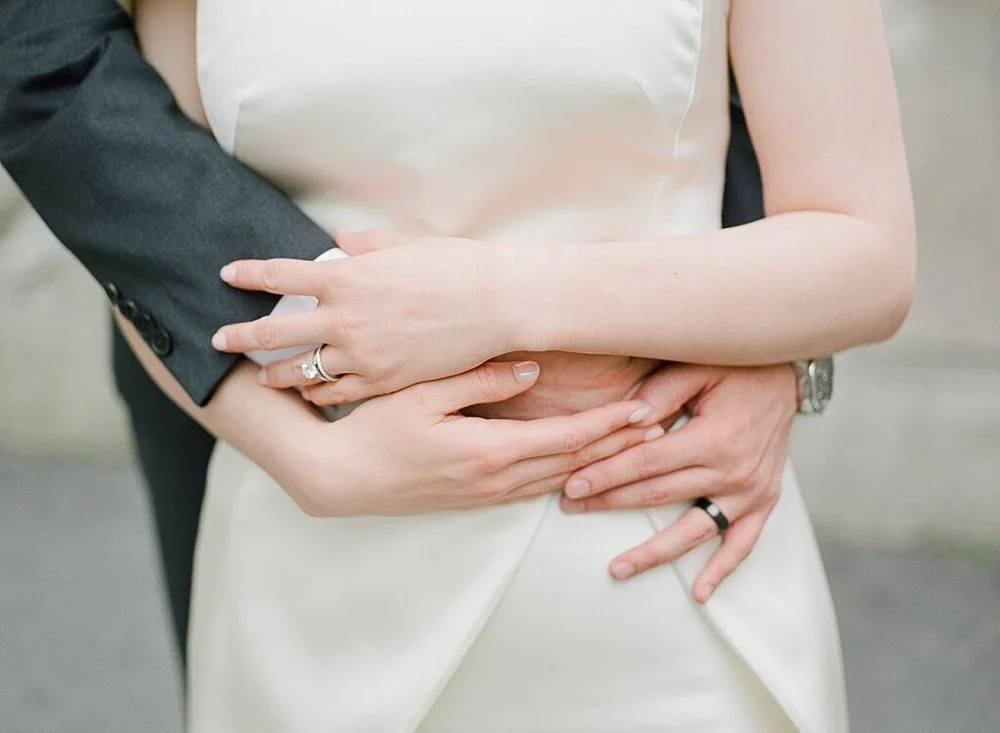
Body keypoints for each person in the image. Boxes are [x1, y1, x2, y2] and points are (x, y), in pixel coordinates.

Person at [110, 0, 915, 730]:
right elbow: (155, 241)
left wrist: (499, 301)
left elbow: (867, 251)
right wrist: (309, 458)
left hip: (651, 575)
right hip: (310, 570)